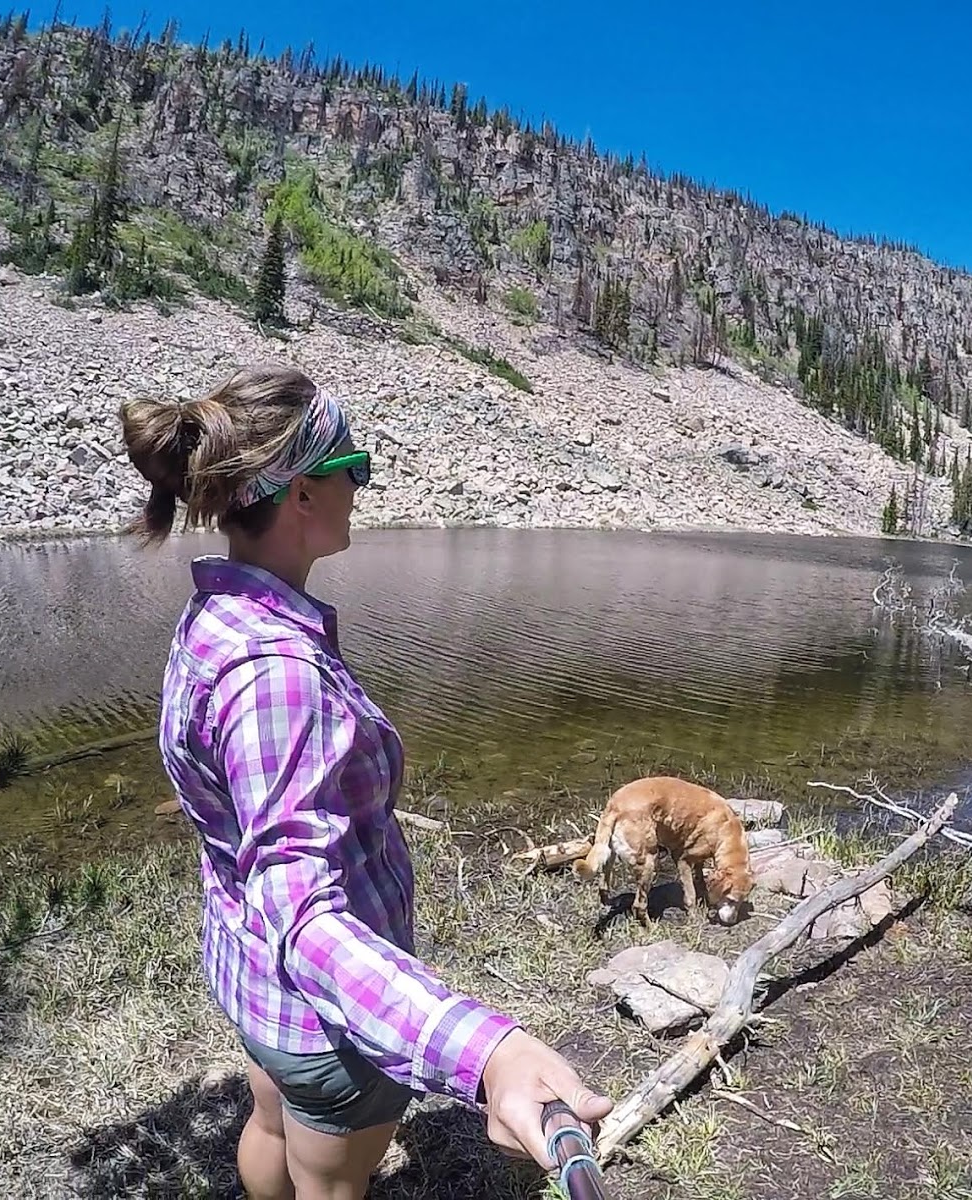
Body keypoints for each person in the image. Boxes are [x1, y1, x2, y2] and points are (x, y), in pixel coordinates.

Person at [119, 363, 612, 1200]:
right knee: (334, 1184)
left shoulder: (217, 620)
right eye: (356, 469)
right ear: (304, 494)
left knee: (269, 1121)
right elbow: (306, 917)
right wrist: (487, 1053)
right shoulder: (277, 673)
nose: (364, 487)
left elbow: (248, 844)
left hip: (251, 981)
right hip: (327, 1026)